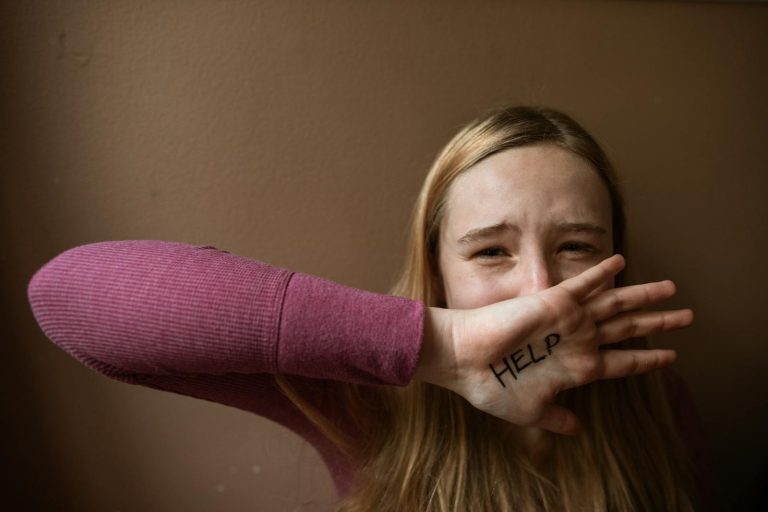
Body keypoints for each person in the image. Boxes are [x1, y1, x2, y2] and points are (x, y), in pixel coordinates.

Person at [27, 105, 709, 511]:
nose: (538, 287)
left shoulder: (656, 404)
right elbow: (64, 297)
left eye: (577, 246)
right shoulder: (371, 404)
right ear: (437, 270)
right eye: (491, 252)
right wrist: (441, 349)